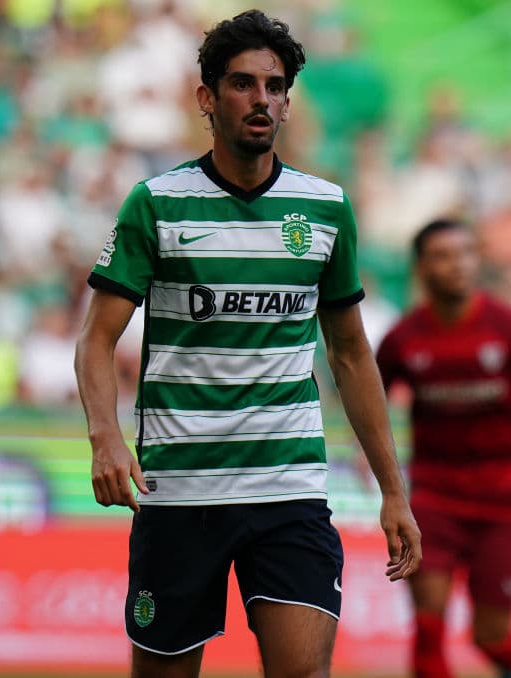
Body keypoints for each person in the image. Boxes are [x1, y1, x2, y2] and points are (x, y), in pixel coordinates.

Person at [73, 10, 421, 678]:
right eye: (241, 83)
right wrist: (105, 438)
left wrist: (393, 490)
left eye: (275, 85)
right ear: (207, 98)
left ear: (288, 102)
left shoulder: (324, 209)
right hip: (178, 492)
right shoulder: (156, 203)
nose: (261, 98)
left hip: (287, 488)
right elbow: (96, 340)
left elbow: (350, 354)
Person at [375, 220, 511, 678]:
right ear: (421, 267)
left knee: (490, 636)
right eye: (444, 255)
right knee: (427, 626)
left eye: (466, 253)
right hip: (432, 495)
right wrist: (367, 451)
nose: (458, 264)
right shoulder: (403, 338)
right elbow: (370, 397)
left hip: (502, 495)